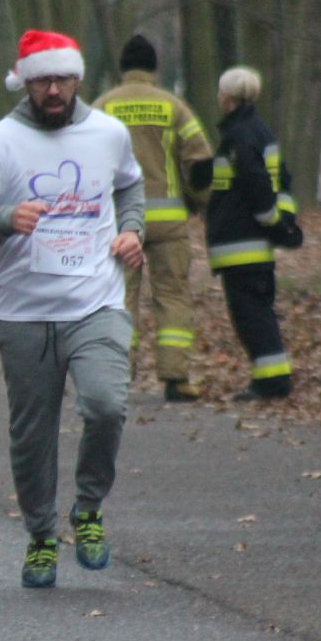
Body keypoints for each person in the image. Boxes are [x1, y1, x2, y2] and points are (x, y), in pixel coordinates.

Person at [0, 29, 145, 589]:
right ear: (27, 82)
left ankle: (87, 510)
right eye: (43, 80)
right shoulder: (1, 140)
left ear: (77, 78)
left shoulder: (109, 133)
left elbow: (130, 189)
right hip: (25, 312)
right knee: (32, 434)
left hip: (97, 301)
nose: (54, 89)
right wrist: (6, 218)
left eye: (62, 78)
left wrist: (132, 230)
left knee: (106, 405)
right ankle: (41, 536)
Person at [91, 35, 213, 402]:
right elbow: (201, 163)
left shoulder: (102, 108)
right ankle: (175, 377)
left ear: (123, 69)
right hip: (169, 220)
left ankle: (117, 376)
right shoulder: (174, 107)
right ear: (154, 68)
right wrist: (198, 203)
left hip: (119, 223)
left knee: (118, 299)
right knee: (172, 296)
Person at [205, 66, 296, 400]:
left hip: (241, 243)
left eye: (219, 93)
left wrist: (272, 221)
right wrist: (283, 222)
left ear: (227, 98)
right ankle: (271, 378)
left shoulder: (239, 136)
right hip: (254, 244)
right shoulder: (261, 131)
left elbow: (256, 185)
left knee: (251, 316)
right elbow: (282, 180)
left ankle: (272, 382)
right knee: (258, 312)